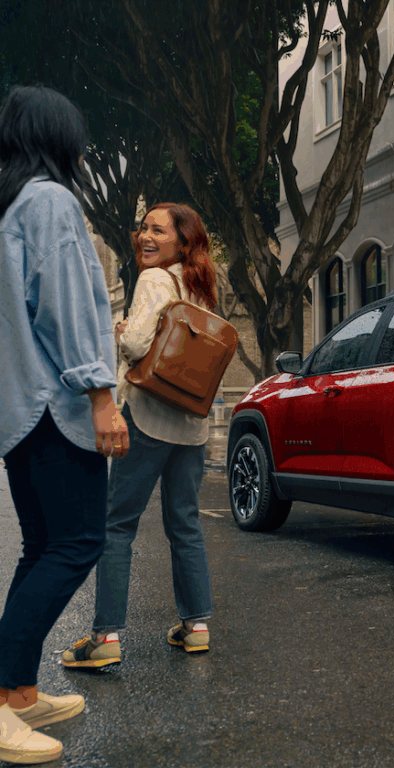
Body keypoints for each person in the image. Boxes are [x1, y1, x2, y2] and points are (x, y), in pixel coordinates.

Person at [0, 86, 129, 764]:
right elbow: (67, 306)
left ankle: (17, 690)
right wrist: (101, 395)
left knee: (42, 544)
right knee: (77, 543)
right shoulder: (50, 202)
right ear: (56, 138)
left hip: (20, 410)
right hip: (57, 406)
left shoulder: (11, 209)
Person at [62, 202, 219, 670]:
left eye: (157, 230)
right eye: (142, 228)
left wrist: (123, 329)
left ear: (181, 241)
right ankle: (196, 627)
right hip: (191, 425)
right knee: (185, 524)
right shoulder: (202, 287)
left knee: (117, 525)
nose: (144, 236)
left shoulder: (154, 281)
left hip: (149, 417)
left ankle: (106, 637)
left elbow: (135, 345)